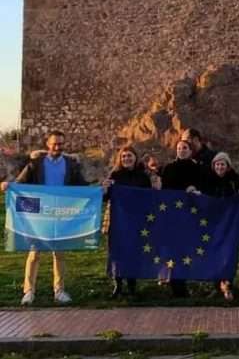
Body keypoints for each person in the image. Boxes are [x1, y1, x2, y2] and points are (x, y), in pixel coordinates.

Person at [1, 131, 88, 305]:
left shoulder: (71, 164)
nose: (58, 147)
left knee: (59, 254)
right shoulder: (36, 163)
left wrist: (99, 189)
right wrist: (8, 185)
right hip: (39, 214)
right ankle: (28, 291)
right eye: (54, 143)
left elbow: (82, 185)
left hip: (61, 213)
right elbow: (21, 181)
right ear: (47, 144)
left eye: (61, 144)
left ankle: (59, 290)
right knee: (34, 254)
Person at [104, 145, 153, 298]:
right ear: (120, 158)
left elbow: (148, 197)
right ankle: (118, 285)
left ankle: (132, 286)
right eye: (124, 156)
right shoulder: (115, 175)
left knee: (133, 252)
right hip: (118, 220)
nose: (126, 159)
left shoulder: (143, 177)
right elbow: (106, 198)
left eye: (129, 156)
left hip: (135, 220)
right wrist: (105, 189)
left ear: (135, 157)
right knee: (117, 252)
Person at [159, 138, 203, 297]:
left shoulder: (197, 168)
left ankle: (185, 281)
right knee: (174, 250)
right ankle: (176, 285)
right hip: (173, 215)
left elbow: (203, 186)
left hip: (191, 215)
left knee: (187, 250)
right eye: (179, 148)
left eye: (185, 148)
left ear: (190, 151)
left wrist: (195, 189)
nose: (181, 150)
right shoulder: (169, 168)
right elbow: (166, 189)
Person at [201, 152, 239, 301]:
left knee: (228, 254)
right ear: (214, 166)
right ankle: (216, 286)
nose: (220, 167)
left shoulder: (235, 180)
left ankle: (228, 285)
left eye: (223, 164)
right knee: (214, 254)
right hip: (213, 224)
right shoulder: (207, 181)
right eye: (217, 164)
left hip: (230, 225)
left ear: (228, 166)